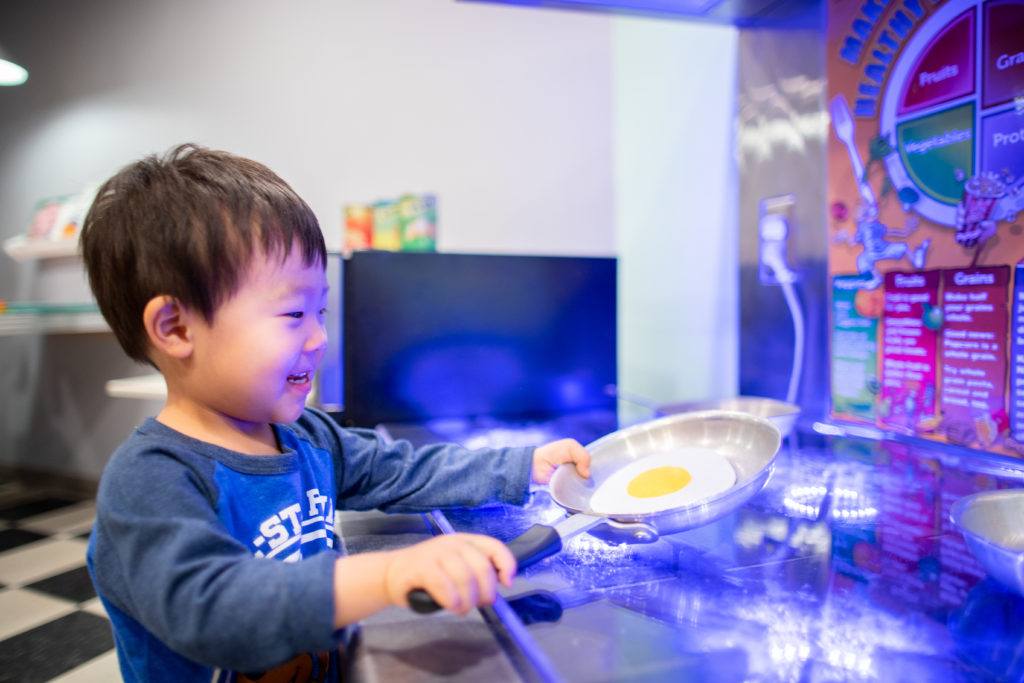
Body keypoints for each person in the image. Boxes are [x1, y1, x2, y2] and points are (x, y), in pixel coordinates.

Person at [81, 143, 592, 682]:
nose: (319, 338)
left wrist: (522, 466)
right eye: (293, 313)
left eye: (319, 309)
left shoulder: (306, 436)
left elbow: (401, 469)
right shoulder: (150, 480)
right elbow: (211, 609)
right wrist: (387, 573)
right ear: (176, 328)